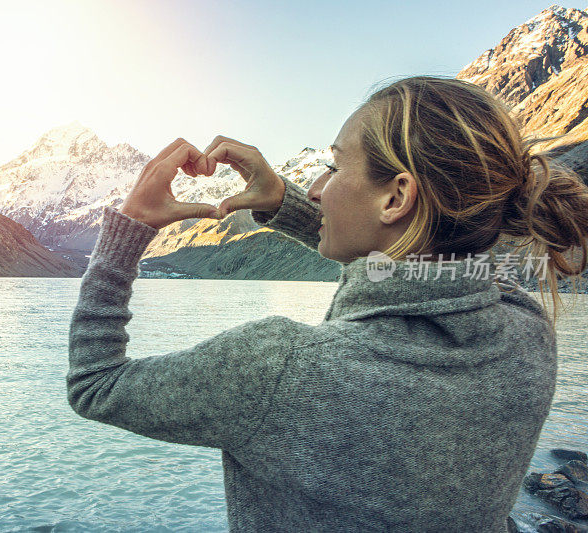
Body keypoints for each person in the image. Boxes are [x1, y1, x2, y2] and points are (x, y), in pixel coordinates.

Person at [66, 75, 588, 531]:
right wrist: (282, 202)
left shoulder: (277, 368)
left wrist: (128, 230)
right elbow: (413, 274)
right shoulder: (527, 332)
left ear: (396, 197)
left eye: (335, 167)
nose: (315, 189)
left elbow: (95, 383)